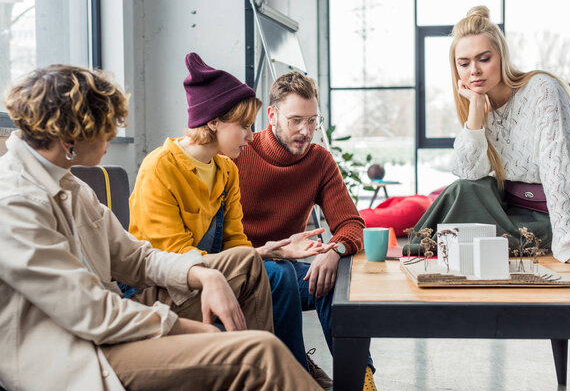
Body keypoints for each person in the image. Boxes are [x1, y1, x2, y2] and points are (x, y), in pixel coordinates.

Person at [0, 64, 320, 390]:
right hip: (74, 357)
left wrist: (203, 273)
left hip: (107, 333)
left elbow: (136, 257)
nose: (113, 134)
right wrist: (183, 328)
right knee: (259, 354)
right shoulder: (13, 201)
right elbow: (92, 313)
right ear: (70, 132)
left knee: (253, 286)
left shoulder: (71, 187)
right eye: (106, 125)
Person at [127, 53, 335, 387]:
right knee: (278, 276)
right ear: (212, 122)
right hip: (164, 286)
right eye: (243, 126)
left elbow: (236, 243)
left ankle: (292, 371)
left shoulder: (225, 170)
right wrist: (263, 256)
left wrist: (270, 250)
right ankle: (293, 375)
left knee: (280, 272)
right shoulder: (160, 168)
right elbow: (173, 257)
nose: (251, 135)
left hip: (210, 272)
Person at [404, 6, 570, 264]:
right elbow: (470, 175)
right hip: (505, 209)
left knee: (463, 239)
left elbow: (558, 170)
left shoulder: (542, 89)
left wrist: (566, 246)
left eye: (484, 59)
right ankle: (431, 249)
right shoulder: (481, 104)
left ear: (502, 57)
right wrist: (476, 111)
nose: (473, 70)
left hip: (543, 219)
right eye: (464, 63)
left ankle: (430, 248)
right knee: (461, 190)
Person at [234, 71, 377, 390]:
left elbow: (351, 225)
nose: (306, 130)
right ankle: (298, 378)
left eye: (313, 120)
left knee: (338, 276)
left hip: (285, 269)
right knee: (282, 272)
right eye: (296, 120)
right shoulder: (239, 153)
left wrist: (333, 252)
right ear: (271, 116)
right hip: (243, 269)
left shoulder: (319, 161)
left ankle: (359, 380)